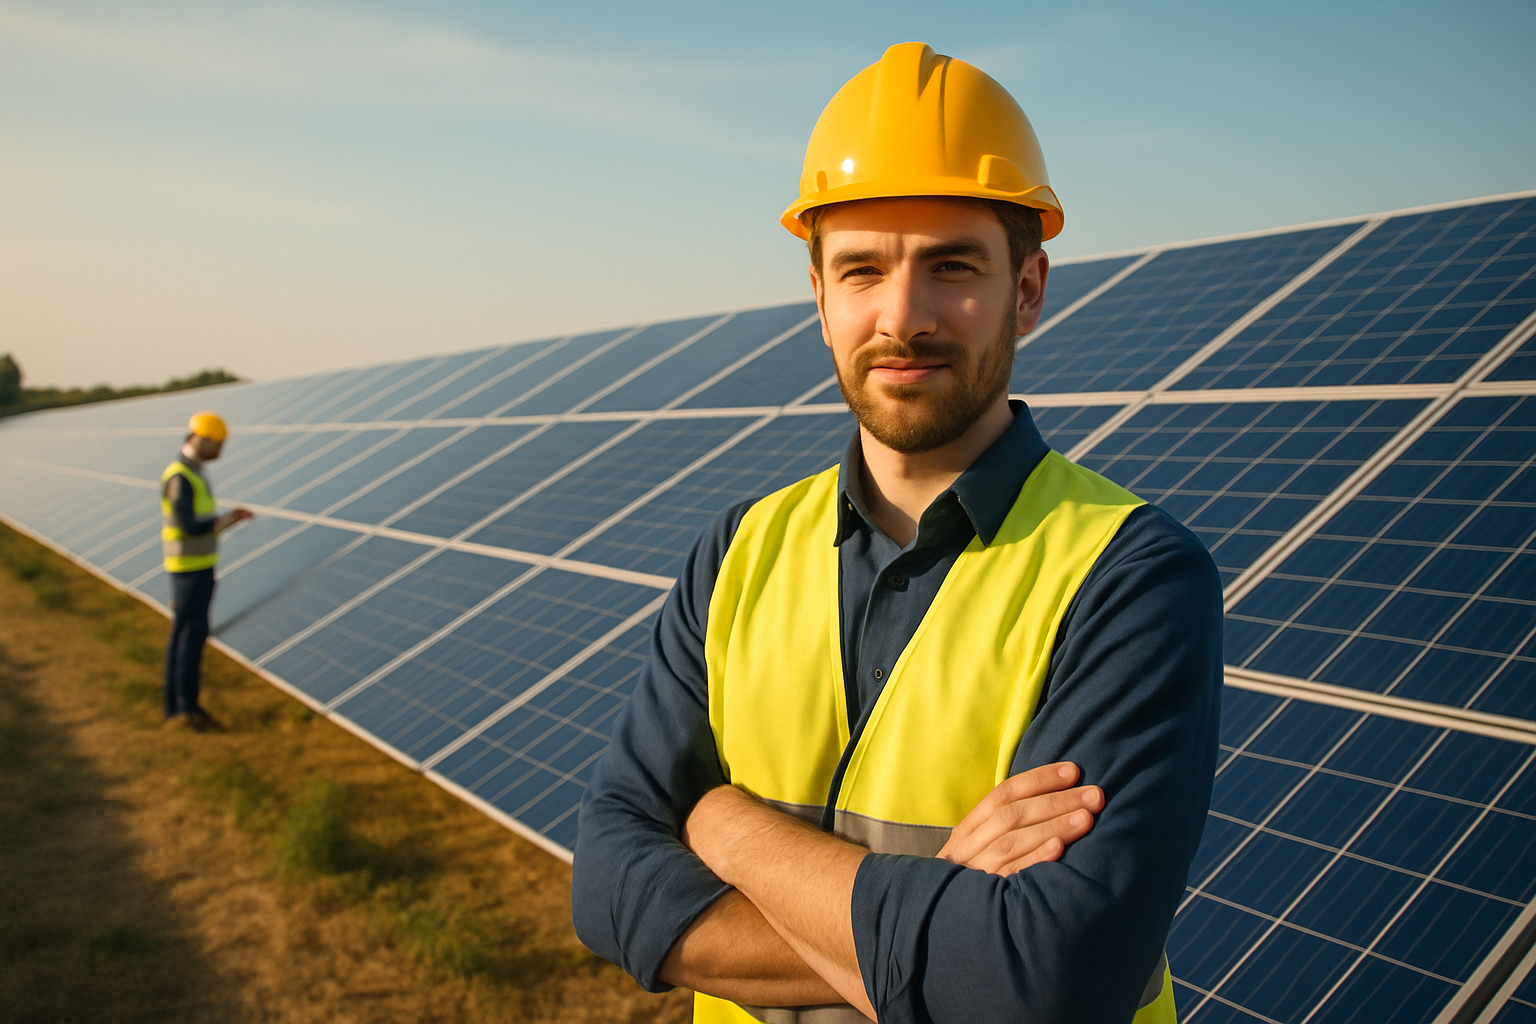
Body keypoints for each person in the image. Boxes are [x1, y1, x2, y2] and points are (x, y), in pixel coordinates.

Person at [572, 42, 1222, 1024]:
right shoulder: (737, 553)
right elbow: (608, 887)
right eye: (862, 270)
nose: (902, 316)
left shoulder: (1131, 577)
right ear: (820, 300)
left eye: (952, 266)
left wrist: (721, 822)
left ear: (1029, 289)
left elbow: (1041, 985)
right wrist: (939, 932)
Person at [161, 410, 252, 731]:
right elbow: (188, 524)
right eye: (217, 445)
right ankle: (186, 709)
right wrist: (226, 520)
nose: (220, 453)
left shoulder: (192, 473)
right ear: (199, 440)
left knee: (184, 634)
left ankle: (178, 708)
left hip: (196, 566)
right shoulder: (180, 476)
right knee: (191, 635)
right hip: (188, 570)